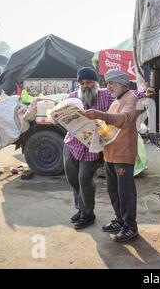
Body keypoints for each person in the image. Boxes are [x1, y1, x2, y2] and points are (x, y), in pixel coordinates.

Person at [81, 69, 141, 242]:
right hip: (110, 153)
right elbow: (110, 126)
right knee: (113, 191)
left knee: (125, 192)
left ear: (123, 83)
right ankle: (120, 220)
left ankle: (130, 226)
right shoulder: (116, 101)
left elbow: (126, 119)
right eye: (107, 83)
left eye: (112, 83)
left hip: (123, 154)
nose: (109, 87)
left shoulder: (131, 98)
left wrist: (101, 115)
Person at [63, 67, 115, 230]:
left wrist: (145, 92)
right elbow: (58, 112)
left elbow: (127, 95)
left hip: (91, 147)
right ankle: (80, 208)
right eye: (83, 83)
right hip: (71, 144)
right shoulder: (72, 97)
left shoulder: (106, 95)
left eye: (89, 82)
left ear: (96, 83)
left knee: (84, 180)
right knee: (72, 179)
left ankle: (88, 214)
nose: (86, 86)